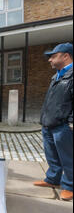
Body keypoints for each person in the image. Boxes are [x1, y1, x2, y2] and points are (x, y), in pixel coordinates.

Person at [34, 43, 73, 201]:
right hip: (49, 124)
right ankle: (52, 179)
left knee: (68, 157)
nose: (49, 59)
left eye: (53, 56)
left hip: (63, 126)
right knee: (52, 155)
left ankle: (69, 185)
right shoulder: (56, 76)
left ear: (65, 56)